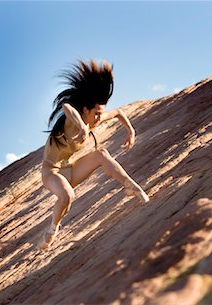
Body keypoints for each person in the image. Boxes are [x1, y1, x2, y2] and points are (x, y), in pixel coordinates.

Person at [37, 59, 149, 250]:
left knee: (101, 153)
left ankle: (132, 188)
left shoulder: (94, 120)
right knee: (67, 196)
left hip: (71, 170)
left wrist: (131, 131)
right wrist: (81, 125)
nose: (99, 117)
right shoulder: (72, 121)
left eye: (100, 113)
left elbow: (119, 112)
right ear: (86, 110)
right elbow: (67, 107)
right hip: (52, 173)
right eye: (96, 113)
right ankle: (52, 230)